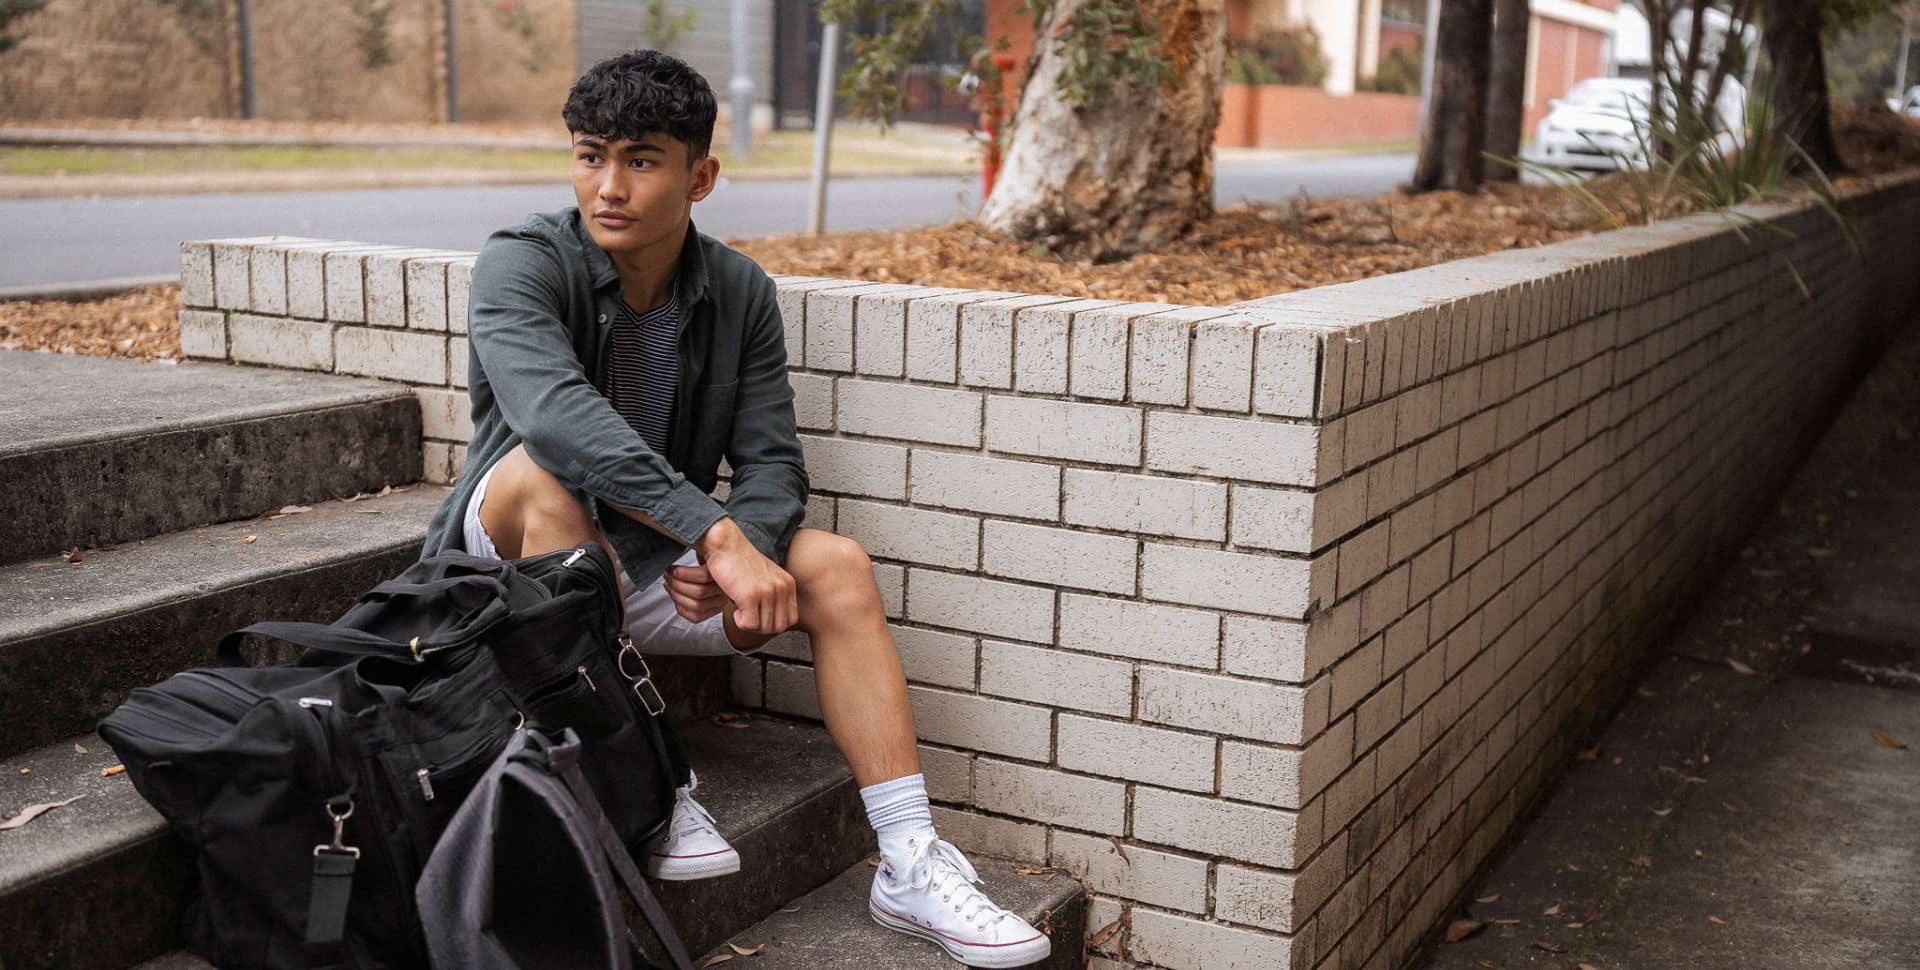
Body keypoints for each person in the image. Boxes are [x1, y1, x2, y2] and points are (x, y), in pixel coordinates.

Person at [418, 48, 1052, 968]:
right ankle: (650, 774)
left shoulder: (738, 291)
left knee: (836, 565)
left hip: (649, 576)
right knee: (540, 475)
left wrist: (743, 547)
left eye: (641, 159)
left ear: (699, 176)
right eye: (590, 155)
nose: (609, 184)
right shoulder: (521, 264)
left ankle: (910, 860)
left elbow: (770, 458)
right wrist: (714, 534)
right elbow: (554, 419)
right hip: (511, 573)